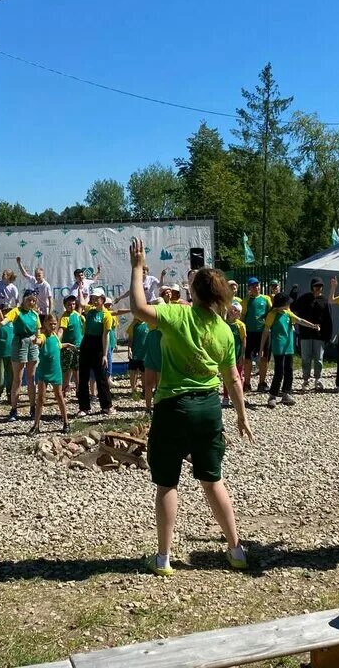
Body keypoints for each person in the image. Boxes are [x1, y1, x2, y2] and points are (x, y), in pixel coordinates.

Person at [127, 237, 253, 576]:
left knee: (167, 483)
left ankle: (164, 558)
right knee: (213, 480)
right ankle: (236, 549)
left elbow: (138, 309)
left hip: (173, 407)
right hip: (209, 408)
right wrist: (241, 415)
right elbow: (234, 379)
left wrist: (138, 268)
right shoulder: (225, 331)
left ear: (193, 292)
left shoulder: (178, 316)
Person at [261, 293, 318, 407]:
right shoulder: (272, 314)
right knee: (279, 371)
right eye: (287, 302)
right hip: (278, 347)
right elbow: (266, 331)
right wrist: (261, 347)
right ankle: (272, 395)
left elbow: (299, 320)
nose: (289, 304)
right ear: (282, 304)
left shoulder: (287, 313)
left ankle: (286, 393)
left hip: (289, 347)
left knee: (289, 370)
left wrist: (312, 325)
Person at [0, 289, 42, 423]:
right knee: (17, 378)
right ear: (24, 299)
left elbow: (38, 331)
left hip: (32, 343)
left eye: (34, 300)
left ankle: (33, 408)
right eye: (29, 300)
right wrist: (0, 318)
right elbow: (4, 321)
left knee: (31, 378)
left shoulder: (35, 314)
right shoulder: (16, 311)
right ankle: (13, 409)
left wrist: (39, 340)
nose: (31, 302)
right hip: (19, 342)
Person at [78, 287, 115, 417]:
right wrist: (80, 288)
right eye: (93, 298)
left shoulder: (106, 315)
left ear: (103, 299)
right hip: (86, 342)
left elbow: (106, 335)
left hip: (98, 344)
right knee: (83, 376)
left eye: (97, 299)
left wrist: (105, 354)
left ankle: (107, 406)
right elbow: (82, 303)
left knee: (101, 377)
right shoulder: (90, 310)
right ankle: (84, 407)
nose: (94, 301)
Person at [30, 314, 71, 434]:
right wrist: (35, 340)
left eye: (54, 324)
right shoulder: (43, 336)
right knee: (41, 398)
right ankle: (36, 425)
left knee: (59, 396)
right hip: (43, 370)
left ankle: (66, 422)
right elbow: (39, 340)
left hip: (56, 370)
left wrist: (67, 345)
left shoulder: (56, 336)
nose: (53, 326)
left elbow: (58, 346)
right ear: (45, 324)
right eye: (50, 323)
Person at [292, 279, 333, 391]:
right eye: (316, 285)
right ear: (312, 286)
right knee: (305, 358)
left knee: (319, 359)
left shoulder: (324, 300)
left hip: (319, 335)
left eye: (320, 285)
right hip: (305, 333)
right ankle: (306, 379)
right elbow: (293, 309)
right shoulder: (304, 298)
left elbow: (328, 319)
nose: (318, 287)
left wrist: (328, 335)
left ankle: (318, 379)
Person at [241, 277, 273, 392]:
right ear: (249, 288)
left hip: (263, 333)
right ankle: (247, 383)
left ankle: (262, 383)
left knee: (264, 358)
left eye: (257, 285)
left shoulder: (266, 299)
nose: (256, 288)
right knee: (248, 359)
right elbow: (242, 317)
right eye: (253, 286)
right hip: (250, 333)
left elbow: (271, 312)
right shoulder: (245, 301)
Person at [58, 295, 84, 398]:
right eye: (69, 304)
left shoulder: (78, 315)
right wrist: (58, 343)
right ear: (65, 305)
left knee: (77, 369)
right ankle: (64, 389)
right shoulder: (65, 317)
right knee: (66, 370)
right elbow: (60, 331)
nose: (71, 306)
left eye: (73, 304)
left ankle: (78, 390)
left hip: (78, 347)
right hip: (67, 348)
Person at [223, 300, 246, 406]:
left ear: (239, 313)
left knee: (238, 376)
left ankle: (238, 396)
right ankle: (225, 397)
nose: (233, 312)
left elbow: (243, 341)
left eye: (236, 310)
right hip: (227, 355)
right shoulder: (224, 324)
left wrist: (242, 355)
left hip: (237, 354)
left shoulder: (241, 325)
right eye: (232, 309)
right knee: (226, 376)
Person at [142, 298, 164, 415]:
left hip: (161, 356)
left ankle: (159, 408)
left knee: (160, 385)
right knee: (148, 383)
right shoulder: (149, 320)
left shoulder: (166, 320)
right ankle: (148, 408)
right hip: (151, 355)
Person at [0, 309, 15, 406]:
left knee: (11, 376)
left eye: (9, 311)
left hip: (12, 353)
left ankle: (10, 395)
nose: (7, 313)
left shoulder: (13, 322)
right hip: (0, 353)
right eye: (5, 311)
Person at [127, 312, 150, 402]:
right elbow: (130, 340)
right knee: (133, 372)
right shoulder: (133, 325)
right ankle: (134, 390)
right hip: (135, 353)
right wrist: (129, 350)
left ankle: (144, 390)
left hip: (145, 355)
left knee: (144, 373)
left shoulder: (149, 324)